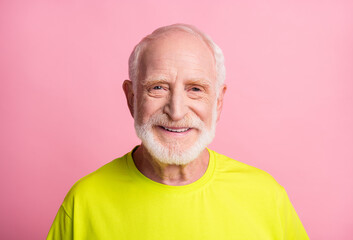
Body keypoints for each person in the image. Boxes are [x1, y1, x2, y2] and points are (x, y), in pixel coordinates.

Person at [47, 23, 309, 239]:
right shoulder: (83, 202)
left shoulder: (266, 197)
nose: (176, 111)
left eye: (195, 89)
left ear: (218, 102)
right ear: (132, 98)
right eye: (158, 87)